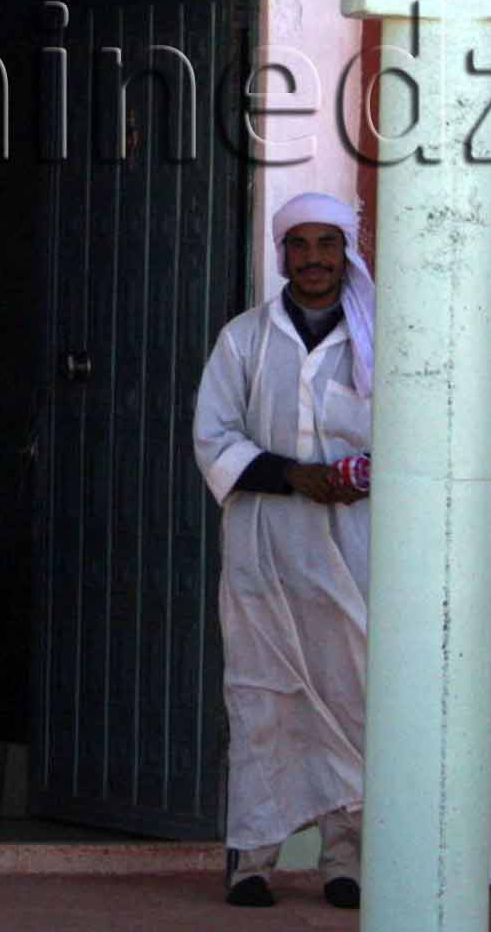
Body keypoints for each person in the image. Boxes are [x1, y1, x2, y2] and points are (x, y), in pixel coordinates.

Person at [192, 190, 374, 911]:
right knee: (261, 699)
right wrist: (292, 475)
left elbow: (413, 437)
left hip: (351, 554)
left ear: (346, 252)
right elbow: (213, 436)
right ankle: (253, 860)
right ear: (282, 254)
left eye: (327, 244)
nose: (314, 259)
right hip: (263, 552)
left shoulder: (378, 341)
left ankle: (344, 862)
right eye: (300, 245)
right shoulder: (244, 339)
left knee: (351, 697)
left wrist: (359, 476)